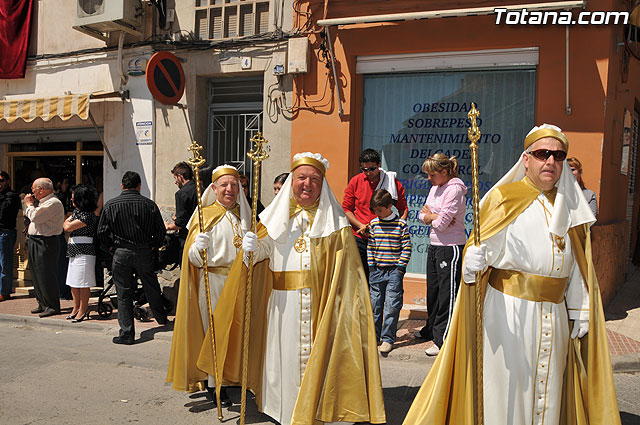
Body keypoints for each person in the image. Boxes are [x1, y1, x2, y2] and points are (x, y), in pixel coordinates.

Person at [403, 124, 620, 425]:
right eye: (543, 153)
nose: (551, 162)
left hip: (555, 315)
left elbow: (577, 264)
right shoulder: (503, 198)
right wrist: (471, 261)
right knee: (509, 391)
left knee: (551, 388)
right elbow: (480, 254)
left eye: (558, 155)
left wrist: (581, 308)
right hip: (508, 314)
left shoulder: (571, 205)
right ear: (527, 159)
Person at [205, 153, 385, 425]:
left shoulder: (335, 225)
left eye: (314, 179)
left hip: (321, 304)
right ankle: (287, 412)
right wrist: (251, 248)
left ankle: (319, 410)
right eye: (301, 177)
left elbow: (349, 274)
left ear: (322, 185)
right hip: (282, 304)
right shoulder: (275, 217)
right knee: (284, 361)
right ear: (292, 182)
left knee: (320, 359)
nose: (307, 184)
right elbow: (263, 252)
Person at [167, 164, 251, 408]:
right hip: (213, 281)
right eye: (224, 185)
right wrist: (197, 247)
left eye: (234, 185)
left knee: (236, 332)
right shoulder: (205, 216)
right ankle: (215, 385)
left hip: (239, 283)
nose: (230, 189)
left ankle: (233, 378)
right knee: (215, 333)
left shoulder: (244, 214)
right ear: (214, 188)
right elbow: (192, 259)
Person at [97, 171, 168, 345]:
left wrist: (111, 248)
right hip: (144, 251)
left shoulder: (111, 205)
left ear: (122, 186)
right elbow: (161, 232)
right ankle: (161, 319)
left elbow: (101, 233)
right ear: (139, 186)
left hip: (121, 252)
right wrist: (152, 245)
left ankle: (127, 333)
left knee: (123, 293)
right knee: (151, 285)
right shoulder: (148, 204)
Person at [413, 154, 468, 356]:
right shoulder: (436, 187)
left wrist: (433, 216)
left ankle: (442, 338)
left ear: (444, 172)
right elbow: (421, 215)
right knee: (433, 291)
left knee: (447, 295)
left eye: (432, 174)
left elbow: (442, 224)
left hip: (450, 246)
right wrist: (433, 216)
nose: (429, 178)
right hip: (435, 244)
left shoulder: (454, 189)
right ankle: (431, 328)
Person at [343, 148, 408, 281]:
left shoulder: (391, 181)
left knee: (381, 279)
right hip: (359, 236)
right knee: (359, 278)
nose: (368, 173)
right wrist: (360, 225)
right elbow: (346, 209)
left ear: (379, 165)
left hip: (383, 238)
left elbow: (403, 209)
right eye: (364, 169)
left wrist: (396, 229)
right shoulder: (355, 181)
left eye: (371, 169)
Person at [367, 189, 412, 354]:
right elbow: (371, 247)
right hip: (377, 270)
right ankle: (374, 336)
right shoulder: (373, 224)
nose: (376, 213)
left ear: (389, 207)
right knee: (375, 304)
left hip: (394, 271)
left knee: (392, 305)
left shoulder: (401, 224)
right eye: (374, 210)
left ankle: (388, 338)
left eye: (379, 210)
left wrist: (400, 267)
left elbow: (406, 247)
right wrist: (371, 266)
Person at [23, 178, 65, 317]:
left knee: (46, 274)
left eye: (34, 189)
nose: (32, 192)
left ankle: (52, 305)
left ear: (42, 189)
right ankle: (42, 303)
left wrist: (29, 205)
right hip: (35, 240)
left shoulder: (53, 202)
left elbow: (35, 217)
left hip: (46, 242)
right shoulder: (41, 202)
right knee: (36, 274)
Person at [63, 185, 98, 323]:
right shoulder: (77, 212)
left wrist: (67, 221)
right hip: (73, 248)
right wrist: (67, 222)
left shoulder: (88, 215)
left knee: (83, 282)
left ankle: (83, 309)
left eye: (74, 198)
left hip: (85, 251)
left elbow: (67, 226)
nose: (72, 200)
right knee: (73, 281)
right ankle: (75, 307)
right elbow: (67, 224)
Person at [165, 162, 198, 256]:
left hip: (188, 238)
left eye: (175, 179)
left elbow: (181, 223)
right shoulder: (201, 189)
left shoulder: (181, 194)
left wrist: (168, 226)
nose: (175, 182)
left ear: (180, 177)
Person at [0, 171, 20, 302]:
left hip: (5, 232)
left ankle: (4, 291)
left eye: (1, 180)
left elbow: (4, 212)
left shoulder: (11, 196)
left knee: (4, 263)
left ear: (7, 181)